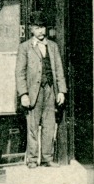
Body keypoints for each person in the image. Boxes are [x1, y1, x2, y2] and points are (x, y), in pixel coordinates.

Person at [15, 11, 67, 168]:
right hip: (33, 93)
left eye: (43, 27)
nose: (41, 31)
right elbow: (20, 73)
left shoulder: (53, 46)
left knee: (49, 125)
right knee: (32, 125)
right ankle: (31, 159)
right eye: (37, 28)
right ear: (31, 29)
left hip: (50, 90)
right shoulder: (25, 48)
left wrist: (61, 91)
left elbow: (59, 69)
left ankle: (47, 158)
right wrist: (23, 94)